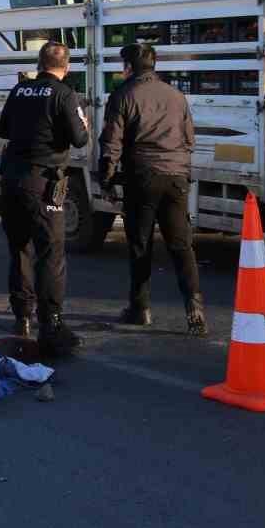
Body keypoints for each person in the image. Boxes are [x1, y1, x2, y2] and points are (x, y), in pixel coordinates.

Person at [98, 43, 204, 335]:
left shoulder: (122, 96)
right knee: (181, 245)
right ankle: (194, 307)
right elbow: (190, 139)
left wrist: (106, 179)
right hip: (176, 177)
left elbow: (111, 143)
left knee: (140, 244)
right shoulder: (176, 96)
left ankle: (140, 309)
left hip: (142, 177)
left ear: (128, 68)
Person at [0, 41, 90, 354]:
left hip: (11, 180)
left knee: (19, 248)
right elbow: (80, 139)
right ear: (67, 67)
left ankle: (22, 316)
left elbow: (2, 130)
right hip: (44, 182)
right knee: (50, 253)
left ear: (39, 63)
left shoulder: (19, 90)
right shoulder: (65, 94)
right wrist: (82, 125)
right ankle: (51, 323)